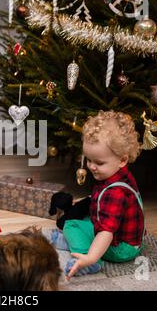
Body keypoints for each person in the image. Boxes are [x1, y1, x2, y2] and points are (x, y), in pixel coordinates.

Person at [60, 110, 145, 278]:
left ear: (122, 160)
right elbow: (109, 205)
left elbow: (106, 231)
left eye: (98, 162)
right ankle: (76, 241)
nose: (91, 166)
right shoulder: (118, 173)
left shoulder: (115, 192)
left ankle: (89, 261)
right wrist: (89, 200)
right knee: (85, 218)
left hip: (120, 249)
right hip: (133, 242)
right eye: (89, 160)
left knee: (72, 224)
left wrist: (91, 258)